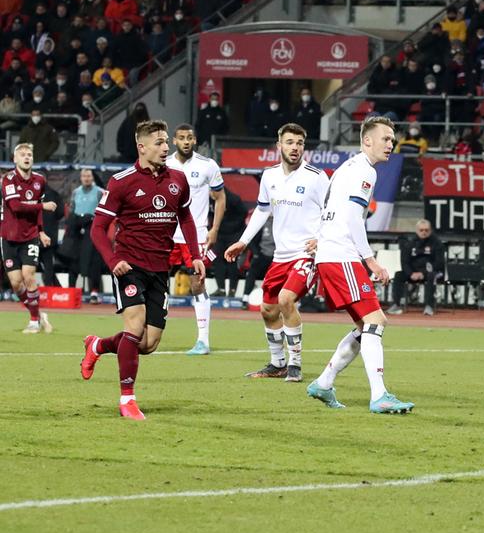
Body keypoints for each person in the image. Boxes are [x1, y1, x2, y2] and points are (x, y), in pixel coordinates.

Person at [81, 120, 206, 420]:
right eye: (160, 142)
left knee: (148, 344)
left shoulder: (178, 179)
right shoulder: (121, 182)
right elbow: (98, 229)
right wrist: (113, 262)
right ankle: (127, 400)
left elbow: (185, 218)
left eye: (167, 142)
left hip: (159, 268)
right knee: (134, 329)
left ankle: (97, 345)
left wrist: (195, 255)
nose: (166, 147)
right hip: (129, 266)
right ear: (142, 147)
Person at [305, 117, 413, 414]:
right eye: (385, 139)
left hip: (331, 254)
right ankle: (379, 396)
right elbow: (352, 218)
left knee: (366, 325)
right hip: (342, 256)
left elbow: (331, 210)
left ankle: (324, 383)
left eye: (392, 140)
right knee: (376, 322)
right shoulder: (364, 171)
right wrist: (371, 261)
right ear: (367, 141)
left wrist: (319, 239)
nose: (391, 144)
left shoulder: (348, 168)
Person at [222, 123, 328, 382]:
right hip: (280, 256)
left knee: (286, 300)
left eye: (300, 143)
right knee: (267, 309)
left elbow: (333, 211)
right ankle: (277, 364)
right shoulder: (269, 176)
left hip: (306, 254)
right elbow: (262, 210)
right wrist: (244, 241)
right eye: (290, 142)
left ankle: (295, 364)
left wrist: (321, 238)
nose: (295, 148)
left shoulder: (317, 177)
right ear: (278, 145)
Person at [165, 124, 225, 355]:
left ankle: (203, 340)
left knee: (197, 284)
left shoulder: (208, 165)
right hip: (167, 235)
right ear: (174, 141)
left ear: (195, 140)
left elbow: (220, 198)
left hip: (196, 235)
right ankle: (147, 330)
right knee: (154, 279)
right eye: (181, 138)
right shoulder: (164, 164)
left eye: (190, 137)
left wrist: (214, 229)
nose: (186, 142)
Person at [2, 143, 56, 333]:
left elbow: (36, 208)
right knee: (17, 283)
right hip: (8, 237)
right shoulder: (8, 179)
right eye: (22, 155)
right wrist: (43, 206)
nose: (26, 157)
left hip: (30, 236)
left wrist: (41, 231)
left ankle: (33, 320)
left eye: (30, 155)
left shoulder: (39, 180)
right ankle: (40, 314)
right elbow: (16, 207)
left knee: (29, 277)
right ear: (15, 159)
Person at [387, 219, 446, 317]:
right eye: (421, 230)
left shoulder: (437, 243)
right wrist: (411, 273)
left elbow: (439, 263)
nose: (424, 232)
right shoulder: (410, 243)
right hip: (413, 273)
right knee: (399, 275)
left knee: (432, 276)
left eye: (426, 230)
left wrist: (423, 273)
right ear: (417, 230)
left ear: (430, 231)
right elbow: (404, 262)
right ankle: (396, 304)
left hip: (431, 272)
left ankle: (429, 306)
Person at [67, 167, 104, 302]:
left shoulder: (100, 192)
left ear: (92, 177)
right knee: (74, 260)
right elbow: (71, 209)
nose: (87, 178)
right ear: (81, 178)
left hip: (93, 231)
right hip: (78, 231)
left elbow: (104, 212)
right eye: (84, 176)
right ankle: (71, 292)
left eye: (89, 176)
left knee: (94, 261)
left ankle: (94, 292)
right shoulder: (76, 192)